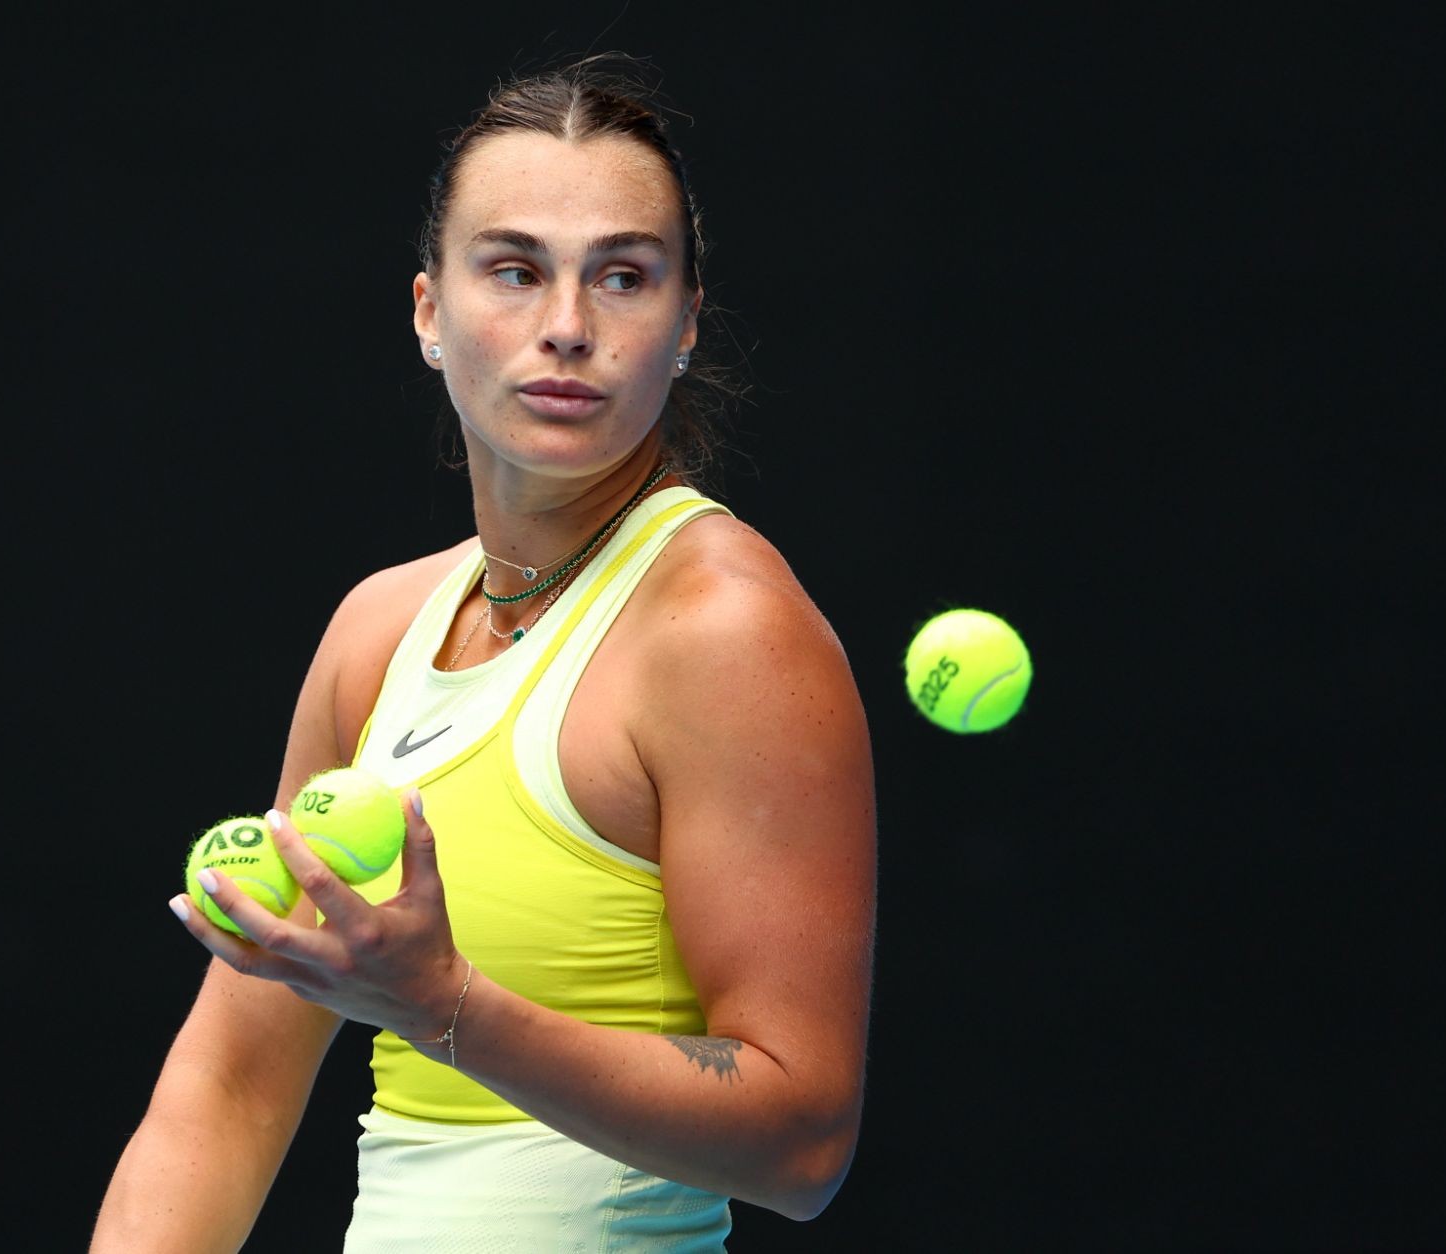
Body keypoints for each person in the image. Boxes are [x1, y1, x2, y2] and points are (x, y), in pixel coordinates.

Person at [91, 56, 877, 1252]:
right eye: (514, 269)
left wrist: (439, 1004)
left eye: (622, 276)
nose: (566, 327)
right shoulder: (377, 633)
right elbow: (227, 1087)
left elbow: (801, 1144)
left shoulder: (727, 632)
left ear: (684, 325)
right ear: (427, 311)